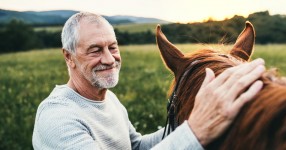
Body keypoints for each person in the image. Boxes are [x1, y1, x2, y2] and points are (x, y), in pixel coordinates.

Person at [32, 12, 265, 149]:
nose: (109, 59)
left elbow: (136, 147)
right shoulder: (57, 117)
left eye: (112, 47)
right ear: (68, 56)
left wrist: (194, 116)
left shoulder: (109, 100)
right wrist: (195, 131)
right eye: (95, 50)